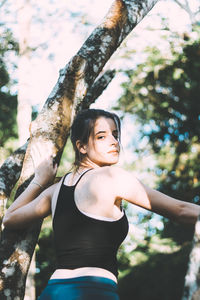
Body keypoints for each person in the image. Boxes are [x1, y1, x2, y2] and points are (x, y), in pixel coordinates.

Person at [2, 108, 200, 300]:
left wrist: (39, 181)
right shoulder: (113, 177)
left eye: (115, 135)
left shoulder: (55, 190)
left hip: (53, 292)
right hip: (94, 291)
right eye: (101, 136)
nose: (114, 142)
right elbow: (181, 211)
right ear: (81, 146)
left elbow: (10, 218)